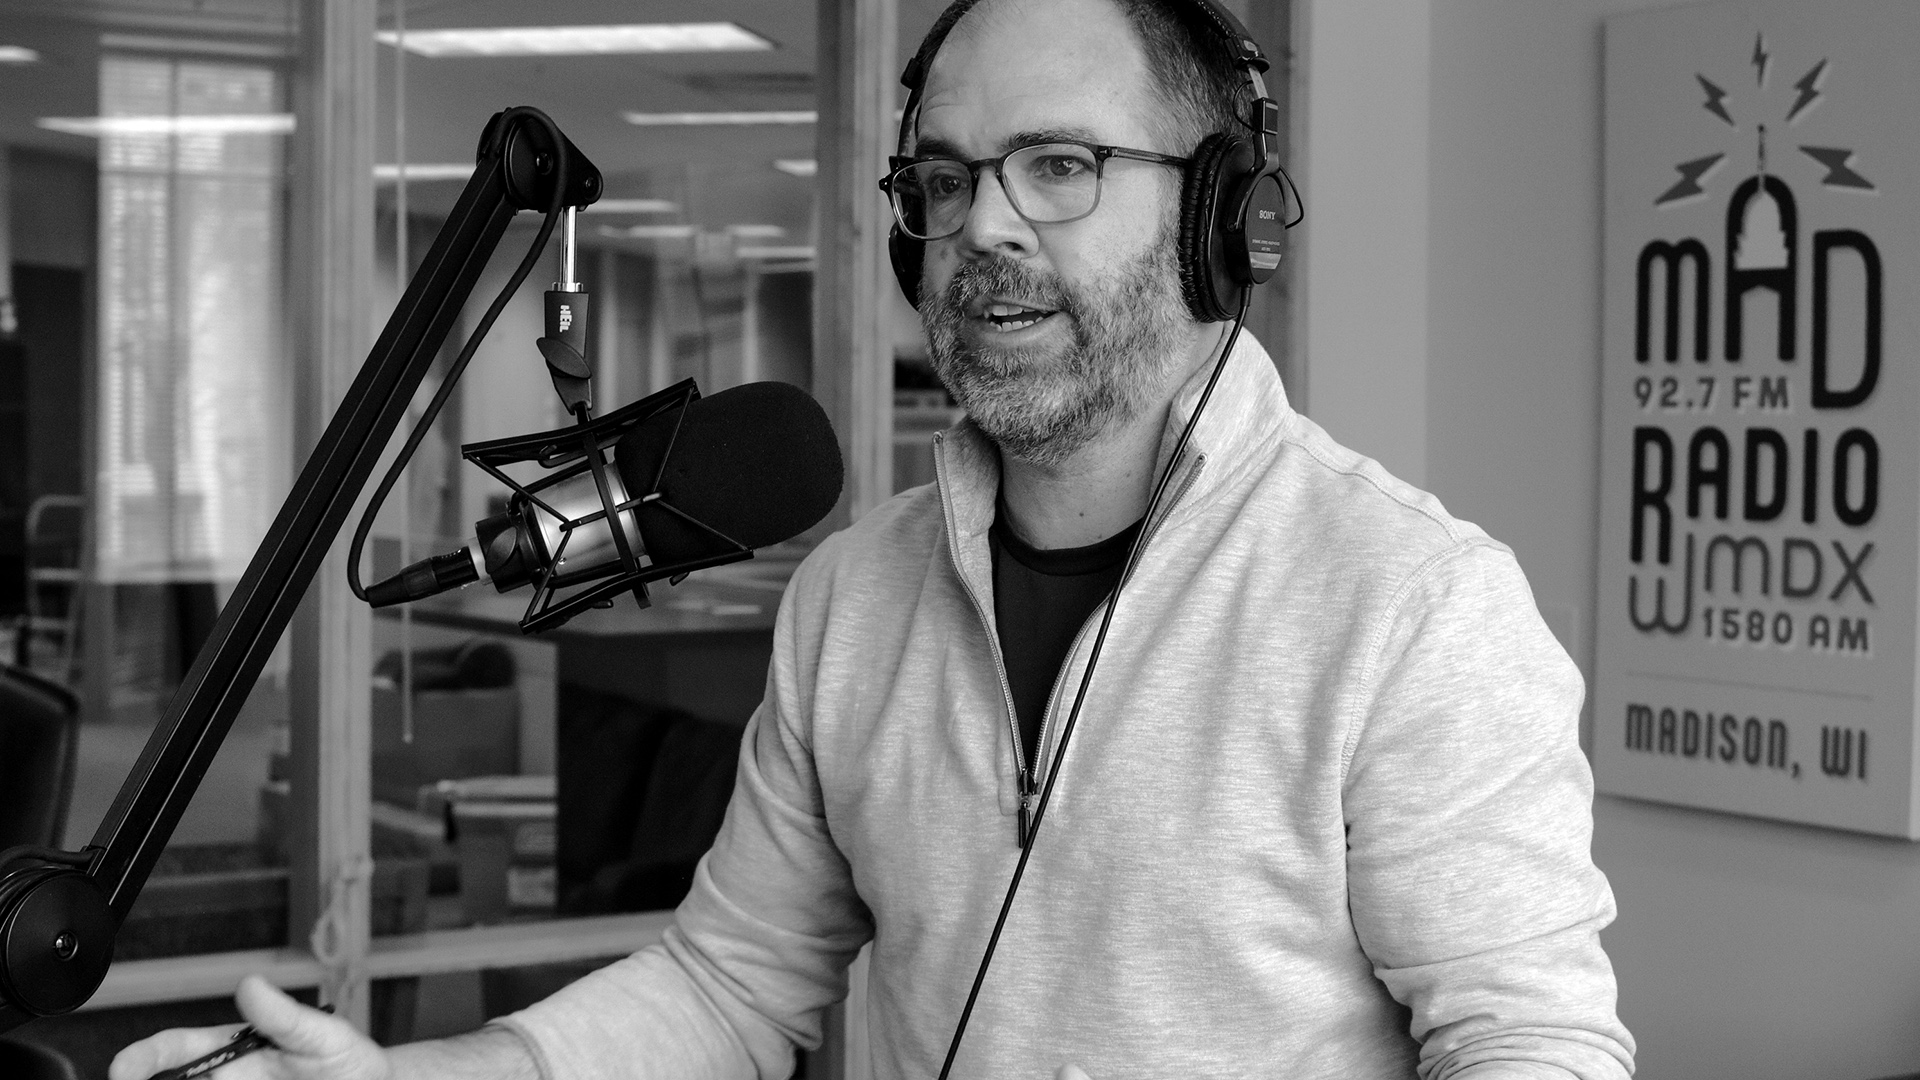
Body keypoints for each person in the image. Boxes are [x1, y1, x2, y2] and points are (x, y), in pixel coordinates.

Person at [113, 0, 1636, 1077]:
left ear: (1219, 220)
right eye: (948, 180)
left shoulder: (1414, 607)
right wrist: (434, 1077)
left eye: (1062, 166)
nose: (983, 228)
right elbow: (730, 981)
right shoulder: (854, 595)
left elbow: (1530, 1044)